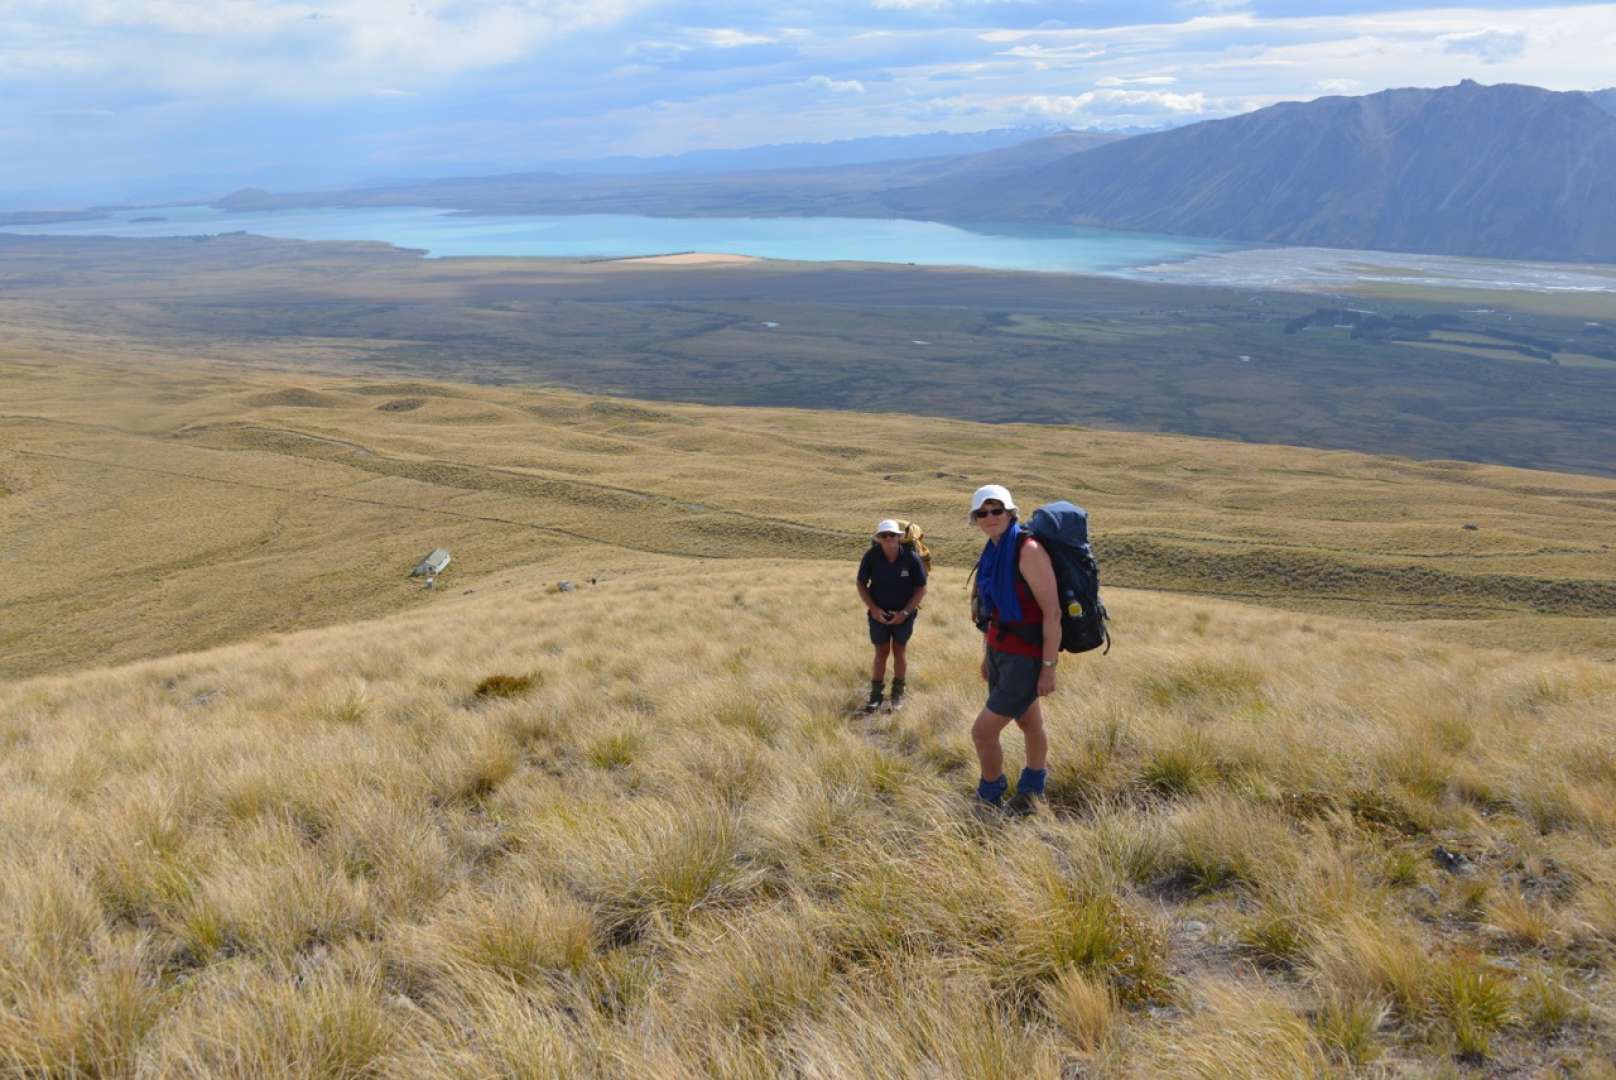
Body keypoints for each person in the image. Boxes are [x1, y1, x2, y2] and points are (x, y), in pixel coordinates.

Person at [968, 484, 1061, 812]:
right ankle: (1033, 788)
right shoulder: (992, 551)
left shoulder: (1028, 549)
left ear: (1010, 513)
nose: (990, 517)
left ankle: (990, 795)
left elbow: (1052, 613)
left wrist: (1048, 667)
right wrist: (986, 656)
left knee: (982, 732)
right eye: (983, 512)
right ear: (975, 519)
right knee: (1030, 723)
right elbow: (991, 612)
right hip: (1000, 652)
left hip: (1025, 657)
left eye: (997, 510)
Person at [856, 518, 928, 712]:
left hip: (904, 615)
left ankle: (897, 694)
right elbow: (861, 584)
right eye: (883, 536)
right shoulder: (871, 556)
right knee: (880, 653)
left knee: (899, 651)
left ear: (898, 537)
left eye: (891, 535)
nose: (888, 539)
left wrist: (905, 613)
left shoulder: (911, 558)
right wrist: (874, 609)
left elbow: (921, 588)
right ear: (878, 539)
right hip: (879, 615)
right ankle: (875, 696)